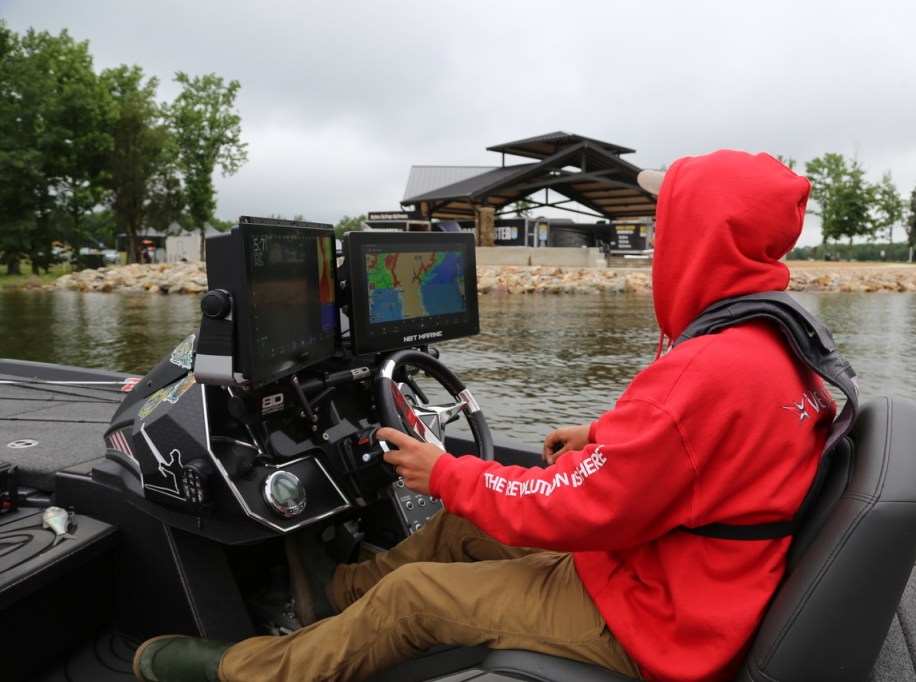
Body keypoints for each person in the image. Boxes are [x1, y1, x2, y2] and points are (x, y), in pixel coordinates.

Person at [133, 150, 836, 682]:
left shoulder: (707, 369)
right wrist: (606, 437)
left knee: (414, 596)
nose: (657, 236)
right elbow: (718, 447)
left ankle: (244, 670)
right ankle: (334, 592)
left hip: (658, 621)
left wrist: (444, 473)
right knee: (464, 524)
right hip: (687, 578)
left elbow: (577, 506)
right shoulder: (770, 343)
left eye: (666, 221)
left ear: (700, 233)